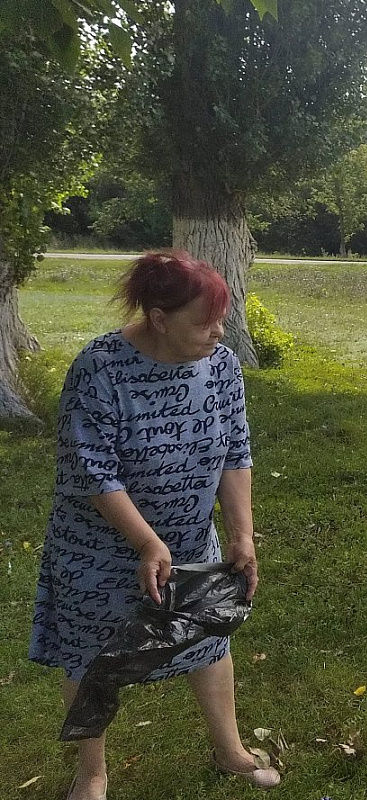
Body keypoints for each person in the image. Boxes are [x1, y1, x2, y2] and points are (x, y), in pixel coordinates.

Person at [28, 251, 278, 799]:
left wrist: (240, 534)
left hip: (191, 540)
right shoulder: (100, 366)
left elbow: (236, 452)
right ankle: (91, 773)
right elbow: (93, 469)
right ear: (159, 318)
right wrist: (144, 541)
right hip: (100, 548)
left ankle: (228, 749)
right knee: (89, 655)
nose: (218, 332)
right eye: (204, 321)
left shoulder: (221, 365)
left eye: (221, 319)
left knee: (208, 640)